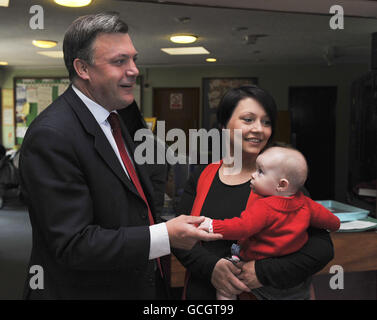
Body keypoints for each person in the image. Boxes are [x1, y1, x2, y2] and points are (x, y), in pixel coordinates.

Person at [19, 12, 221, 300]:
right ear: (83, 68)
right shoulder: (52, 135)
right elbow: (72, 244)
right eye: (119, 61)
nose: (134, 70)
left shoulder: (115, 120)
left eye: (133, 59)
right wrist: (165, 235)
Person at [173, 85, 335, 300]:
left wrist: (261, 272)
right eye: (248, 119)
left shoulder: (283, 184)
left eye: (266, 122)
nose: (259, 129)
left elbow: (321, 249)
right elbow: (179, 237)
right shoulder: (203, 175)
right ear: (223, 125)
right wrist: (212, 268)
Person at [199, 145, 340, 299]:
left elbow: (241, 227)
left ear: (281, 185)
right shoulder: (307, 204)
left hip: (263, 277)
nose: (253, 175)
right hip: (294, 278)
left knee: (226, 288)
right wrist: (335, 225)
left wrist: (212, 226)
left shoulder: (264, 207)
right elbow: (332, 222)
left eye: (260, 172)